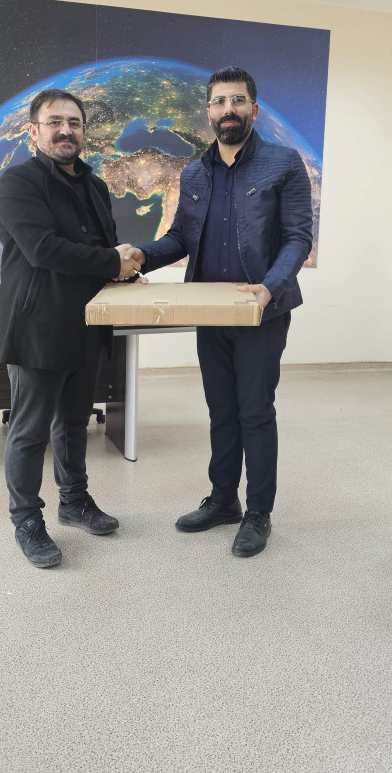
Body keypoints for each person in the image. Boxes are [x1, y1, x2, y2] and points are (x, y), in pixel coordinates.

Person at [132, 67, 313, 557]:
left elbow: (298, 236)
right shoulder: (194, 172)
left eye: (237, 100)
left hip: (260, 312)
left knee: (255, 411)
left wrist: (269, 288)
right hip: (209, 311)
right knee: (221, 411)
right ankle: (223, 500)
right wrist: (140, 255)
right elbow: (179, 238)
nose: (227, 109)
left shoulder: (283, 163)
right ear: (208, 111)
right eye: (219, 101)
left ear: (253, 108)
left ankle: (258, 513)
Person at [0, 88, 143, 568]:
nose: (65, 130)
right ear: (34, 131)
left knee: (74, 424)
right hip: (37, 327)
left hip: (87, 326)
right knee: (30, 431)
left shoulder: (94, 186)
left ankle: (74, 502)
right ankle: (26, 520)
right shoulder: (19, 182)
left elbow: (104, 249)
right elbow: (43, 249)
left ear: (83, 131)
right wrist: (112, 262)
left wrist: (126, 269)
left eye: (74, 123)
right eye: (54, 122)